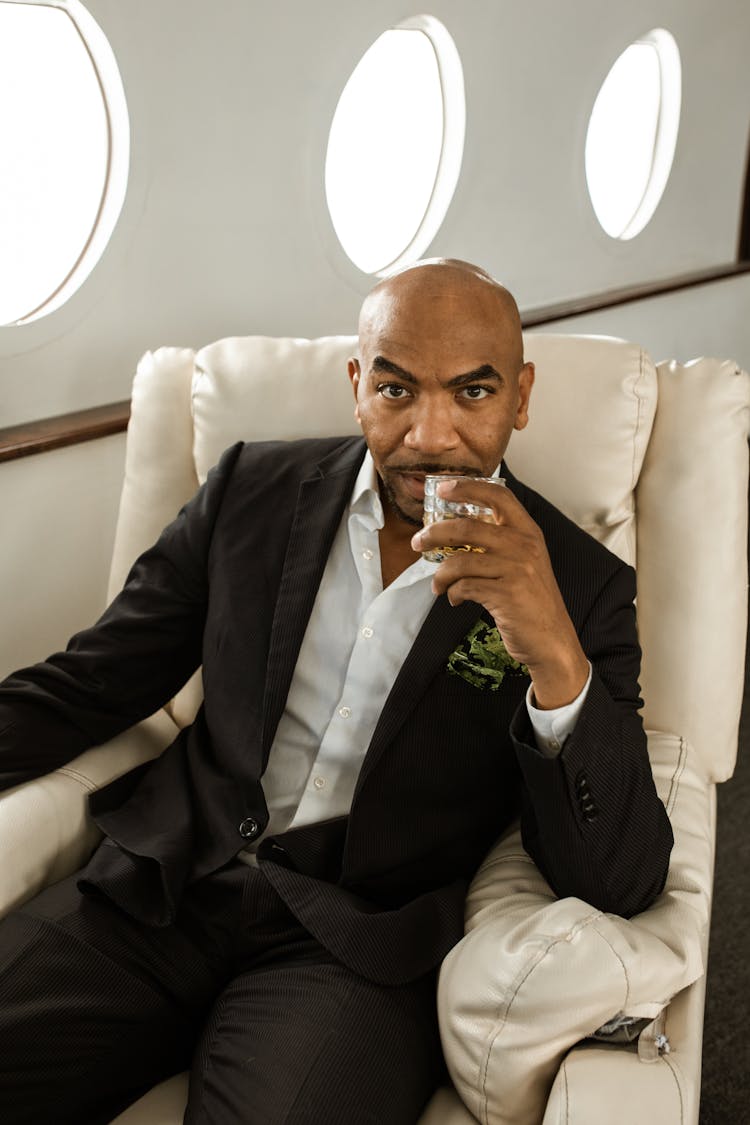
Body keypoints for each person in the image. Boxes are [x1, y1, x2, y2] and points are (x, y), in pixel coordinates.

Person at [0, 259, 672, 1125]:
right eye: (397, 389)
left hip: (355, 950)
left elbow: (622, 875)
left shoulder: (583, 584)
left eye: (473, 393)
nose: (432, 435)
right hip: (159, 888)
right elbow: (91, 682)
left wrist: (553, 653)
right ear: (358, 386)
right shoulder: (250, 489)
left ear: (521, 396)